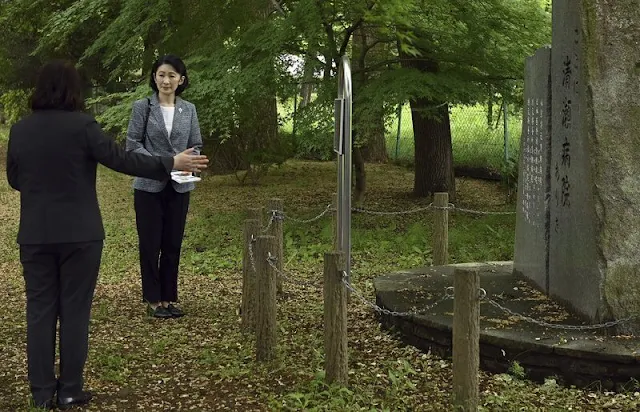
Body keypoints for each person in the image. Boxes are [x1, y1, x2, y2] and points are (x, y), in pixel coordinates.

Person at [5, 60, 208, 410]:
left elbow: (13, 178)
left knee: (39, 312)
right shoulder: (84, 127)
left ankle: (41, 393)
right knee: (74, 311)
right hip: (81, 235)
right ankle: (69, 389)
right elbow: (122, 159)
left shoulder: (21, 130)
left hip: (36, 234)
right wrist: (169, 163)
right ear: (74, 90)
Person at [126, 55, 202, 319]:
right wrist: (167, 163)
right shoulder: (142, 107)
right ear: (154, 77)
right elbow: (133, 145)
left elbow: (196, 144)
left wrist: (190, 162)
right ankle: (153, 299)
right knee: (150, 243)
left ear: (181, 80)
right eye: (161, 75)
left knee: (172, 243)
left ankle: (169, 297)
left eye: (171, 75)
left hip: (180, 186)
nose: (166, 80)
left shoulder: (188, 109)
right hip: (148, 186)